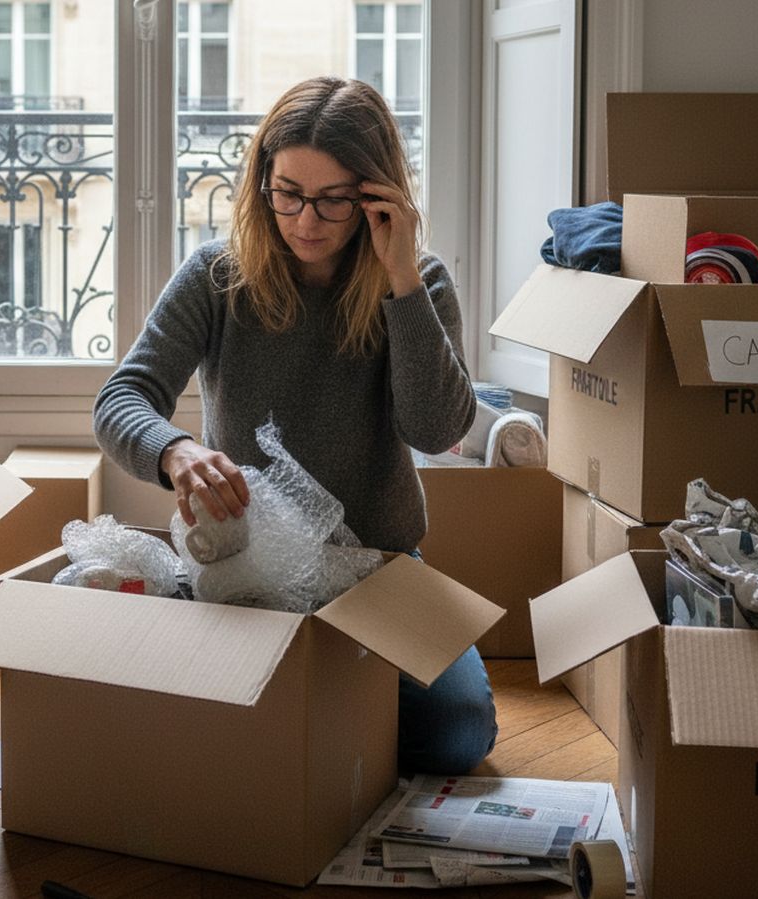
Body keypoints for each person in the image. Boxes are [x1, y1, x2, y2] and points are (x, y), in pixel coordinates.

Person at [93, 75, 496, 774]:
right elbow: (121, 398)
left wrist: (401, 279)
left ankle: (316, 726)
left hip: (379, 568)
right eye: (287, 194)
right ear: (263, 185)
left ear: (376, 196)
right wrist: (176, 450)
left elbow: (435, 430)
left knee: (457, 734)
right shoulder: (216, 275)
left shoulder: (419, 282)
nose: (306, 221)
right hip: (241, 567)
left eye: (332, 199)